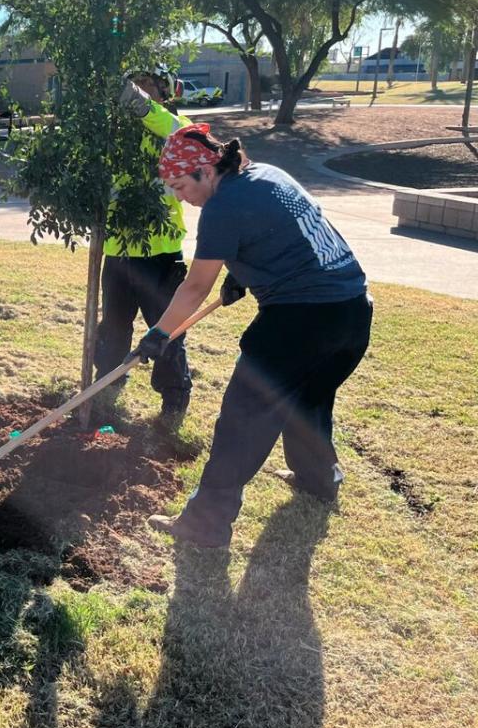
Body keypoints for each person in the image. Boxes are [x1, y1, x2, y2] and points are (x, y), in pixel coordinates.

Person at [135, 123, 372, 548]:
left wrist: (159, 334)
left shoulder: (223, 206)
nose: (178, 197)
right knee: (309, 398)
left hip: (302, 321)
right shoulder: (267, 174)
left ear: (206, 171)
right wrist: (245, 276)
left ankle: (204, 526)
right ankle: (319, 478)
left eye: (179, 185)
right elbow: (285, 236)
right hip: (353, 313)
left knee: (242, 422)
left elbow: (194, 287)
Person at [92, 65, 193, 429]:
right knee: (114, 328)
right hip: (117, 253)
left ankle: (174, 399)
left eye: (149, 91)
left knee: (165, 331)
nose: (141, 96)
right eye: (135, 90)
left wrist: (144, 108)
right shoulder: (115, 138)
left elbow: (174, 129)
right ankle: (106, 386)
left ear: (164, 96)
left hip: (160, 256)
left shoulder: (177, 131)